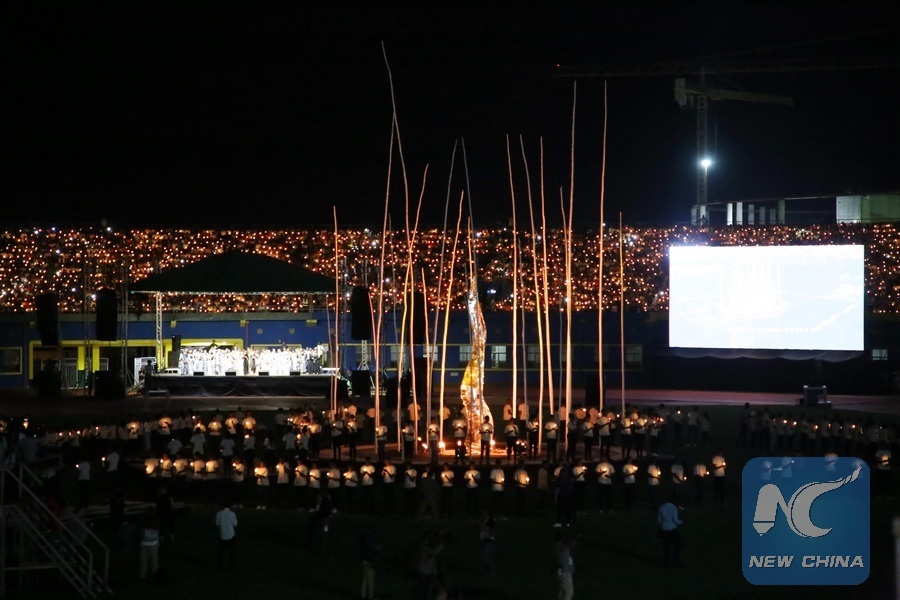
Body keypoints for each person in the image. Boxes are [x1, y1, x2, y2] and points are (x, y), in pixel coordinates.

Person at [657, 493, 683, 567]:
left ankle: (666, 561)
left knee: (666, 546)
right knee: (677, 543)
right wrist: (681, 522)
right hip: (672, 529)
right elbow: (675, 520)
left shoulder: (661, 507)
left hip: (664, 529)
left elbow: (659, 520)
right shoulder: (674, 508)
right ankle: (675, 559)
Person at [554, 531, 579, 600]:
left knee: (562, 590)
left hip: (562, 571)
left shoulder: (558, 546)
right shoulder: (562, 547)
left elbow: (569, 545)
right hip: (565, 571)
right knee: (569, 591)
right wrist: (576, 539)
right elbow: (570, 545)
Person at [215, 499, 238, 570]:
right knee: (231, 551)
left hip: (222, 535)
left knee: (221, 552)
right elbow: (235, 524)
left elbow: (217, 524)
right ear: (231, 506)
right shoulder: (232, 514)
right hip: (230, 535)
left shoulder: (218, 513)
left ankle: (220, 566)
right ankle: (232, 565)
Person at [138, 507, 160, 581]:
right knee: (146, 561)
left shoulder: (155, 521)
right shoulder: (146, 521)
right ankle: (143, 576)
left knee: (151, 562)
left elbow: (155, 526)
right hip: (147, 543)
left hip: (151, 543)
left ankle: (154, 576)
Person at [359, 525, 380, 600]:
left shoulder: (363, 538)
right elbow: (374, 551)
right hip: (370, 561)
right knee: (371, 581)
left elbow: (362, 550)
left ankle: (363, 595)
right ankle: (370, 596)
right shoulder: (373, 540)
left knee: (365, 579)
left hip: (365, 560)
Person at [480, 509, 497, 576]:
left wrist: (485, 529)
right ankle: (488, 571)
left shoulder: (490, 521)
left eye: (485, 512)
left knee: (486, 557)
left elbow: (493, 532)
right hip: (485, 540)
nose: (483, 513)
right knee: (486, 557)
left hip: (490, 540)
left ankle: (492, 571)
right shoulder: (485, 521)